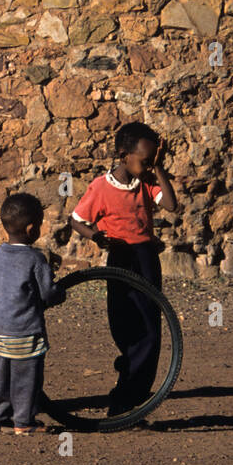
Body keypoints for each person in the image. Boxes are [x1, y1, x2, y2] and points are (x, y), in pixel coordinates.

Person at [70, 123, 177, 417]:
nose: (148, 166)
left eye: (152, 161)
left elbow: (170, 204)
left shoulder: (146, 182)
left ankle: (129, 399)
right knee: (125, 326)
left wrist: (158, 169)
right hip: (119, 261)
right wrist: (95, 236)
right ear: (123, 155)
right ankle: (125, 388)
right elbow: (76, 219)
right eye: (145, 161)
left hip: (145, 259)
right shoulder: (101, 187)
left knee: (151, 331)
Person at [0, 193, 65, 434]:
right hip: (26, 332)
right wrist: (60, 294)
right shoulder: (35, 259)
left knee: (3, 377)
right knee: (27, 379)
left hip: (1, 331)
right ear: (32, 229)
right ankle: (23, 422)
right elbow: (49, 293)